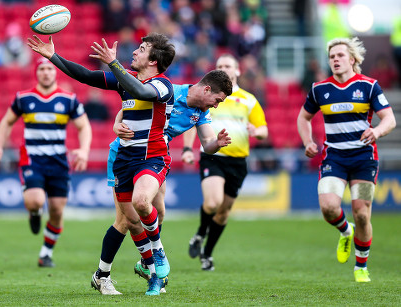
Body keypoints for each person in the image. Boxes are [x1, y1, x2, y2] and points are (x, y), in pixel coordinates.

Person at [27, 32, 176, 296]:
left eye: (141, 49)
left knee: (143, 203)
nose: (134, 52)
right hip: (124, 160)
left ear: (154, 60)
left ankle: (158, 256)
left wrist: (113, 64)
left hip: (152, 158)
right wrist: (53, 56)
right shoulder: (123, 81)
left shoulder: (163, 85)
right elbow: (85, 75)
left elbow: (141, 91)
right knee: (130, 221)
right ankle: (143, 273)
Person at [94, 70, 232, 295]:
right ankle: (107, 274)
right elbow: (128, 108)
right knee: (126, 220)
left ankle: (147, 263)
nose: (217, 105)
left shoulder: (201, 112)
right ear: (207, 89)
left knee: (157, 210)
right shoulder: (170, 91)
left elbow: (207, 144)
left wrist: (216, 143)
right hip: (125, 154)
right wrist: (116, 125)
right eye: (217, 100)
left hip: (154, 156)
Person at [296, 37, 396, 283]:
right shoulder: (320, 89)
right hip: (335, 157)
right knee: (329, 207)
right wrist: (308, 141)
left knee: (362, 213)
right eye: (332, 57)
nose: (335, 60)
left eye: (340, 56)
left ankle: (361, 266)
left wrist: (377, 131)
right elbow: (303, 118)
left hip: (363, 157)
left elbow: (389, 120)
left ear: (352, 59)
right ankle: (345, 230)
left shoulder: (369, 86)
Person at [0, 57, 92, 268]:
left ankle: (45, 254)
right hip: (32, 158)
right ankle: (34, 212)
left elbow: (84, 126)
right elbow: (7, 121)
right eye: (41, 69)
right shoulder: (23, 98)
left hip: (59, 160)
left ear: (55, 73)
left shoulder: (68, 99)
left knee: (57, 211)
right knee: (35, 200)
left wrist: (84, 150)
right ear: (36, 73)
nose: (46, 73)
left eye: (49, 69)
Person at [186, 53, 268, 271]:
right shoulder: (208, 95)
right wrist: (187, 149)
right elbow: (192, 119)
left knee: (223, 212)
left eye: (228, 65)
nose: (224, 68)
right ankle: (200, 234)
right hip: (213, 156)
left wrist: (256, 131)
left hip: (238, 161)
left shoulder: (249, 99)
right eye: (220, 65)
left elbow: (264, 130)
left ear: (238, 70)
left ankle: (207, 253)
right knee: (213, 202)